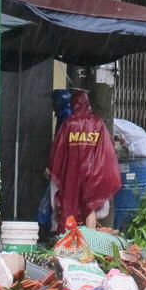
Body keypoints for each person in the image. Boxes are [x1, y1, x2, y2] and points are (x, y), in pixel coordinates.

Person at [47, 89, 120, 232]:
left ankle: (68, 240)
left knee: (69, 203)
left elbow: (58, 148)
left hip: (71, 173)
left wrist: (53, 168)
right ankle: (89, 241)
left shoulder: (69, 123)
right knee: (90, 206)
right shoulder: (98, 123)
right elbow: (106, 149)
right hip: (93, 172)